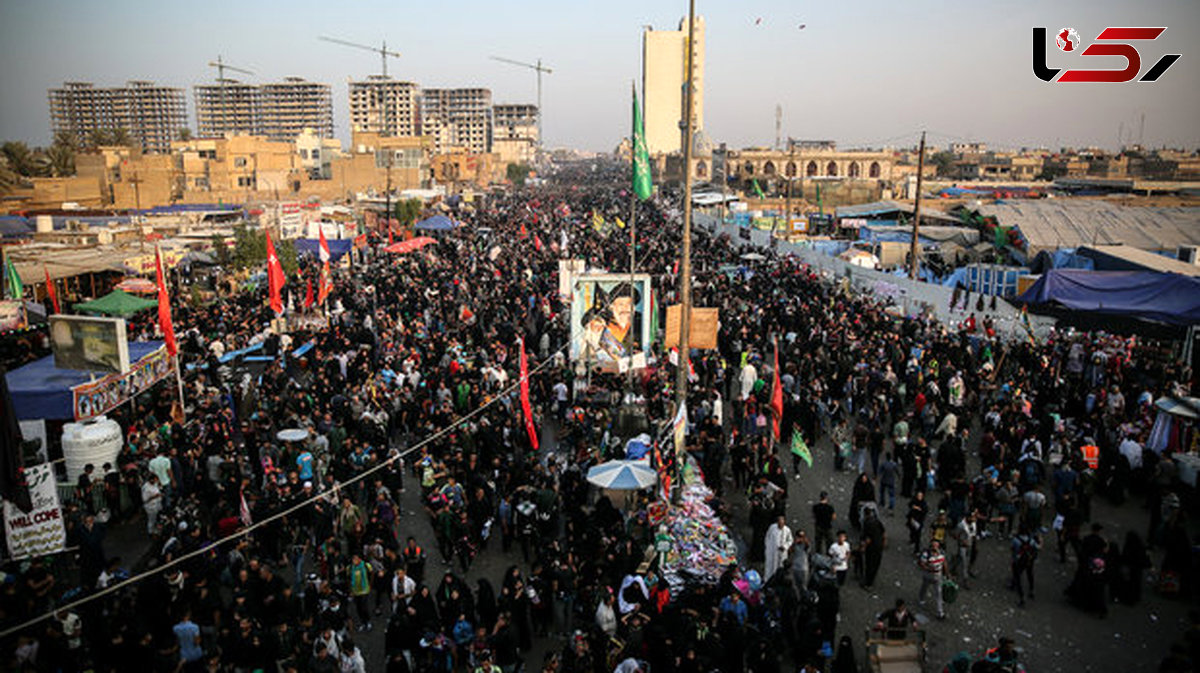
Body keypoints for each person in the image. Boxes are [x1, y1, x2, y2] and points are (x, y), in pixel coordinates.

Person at [1010, 527, 1040, 607]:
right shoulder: (1031, 540)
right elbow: (1037, 547)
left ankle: (1021, 597)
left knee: (1018, 577)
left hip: (1019, 560)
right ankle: (1031, 590)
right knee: (1029, 574)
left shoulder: (1016, 540)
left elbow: (1012, 549)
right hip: (1028, 560)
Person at [918, 540, 946, 619]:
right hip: (928, 575)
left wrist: (946, 573)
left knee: (938, 593)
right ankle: (921, 598)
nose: (935, 547)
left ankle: (940, 612)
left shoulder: (942, 553)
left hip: (938, 576)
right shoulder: (926, 554)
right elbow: (922, 564)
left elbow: (944, 562)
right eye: (933, 545)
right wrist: (929, 569)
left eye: (936, 545)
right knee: (924, 587)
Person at [764, 515, 794, 581]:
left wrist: (785, 546)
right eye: (779, 523)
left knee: (780, 566)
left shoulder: (787, 530)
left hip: (781, 552)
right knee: (770, 566)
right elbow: (767, 537)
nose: (780, 525)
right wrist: (767, 547)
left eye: (782, 523)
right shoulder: (772, 527)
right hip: (772, 550)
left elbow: (790, 540)